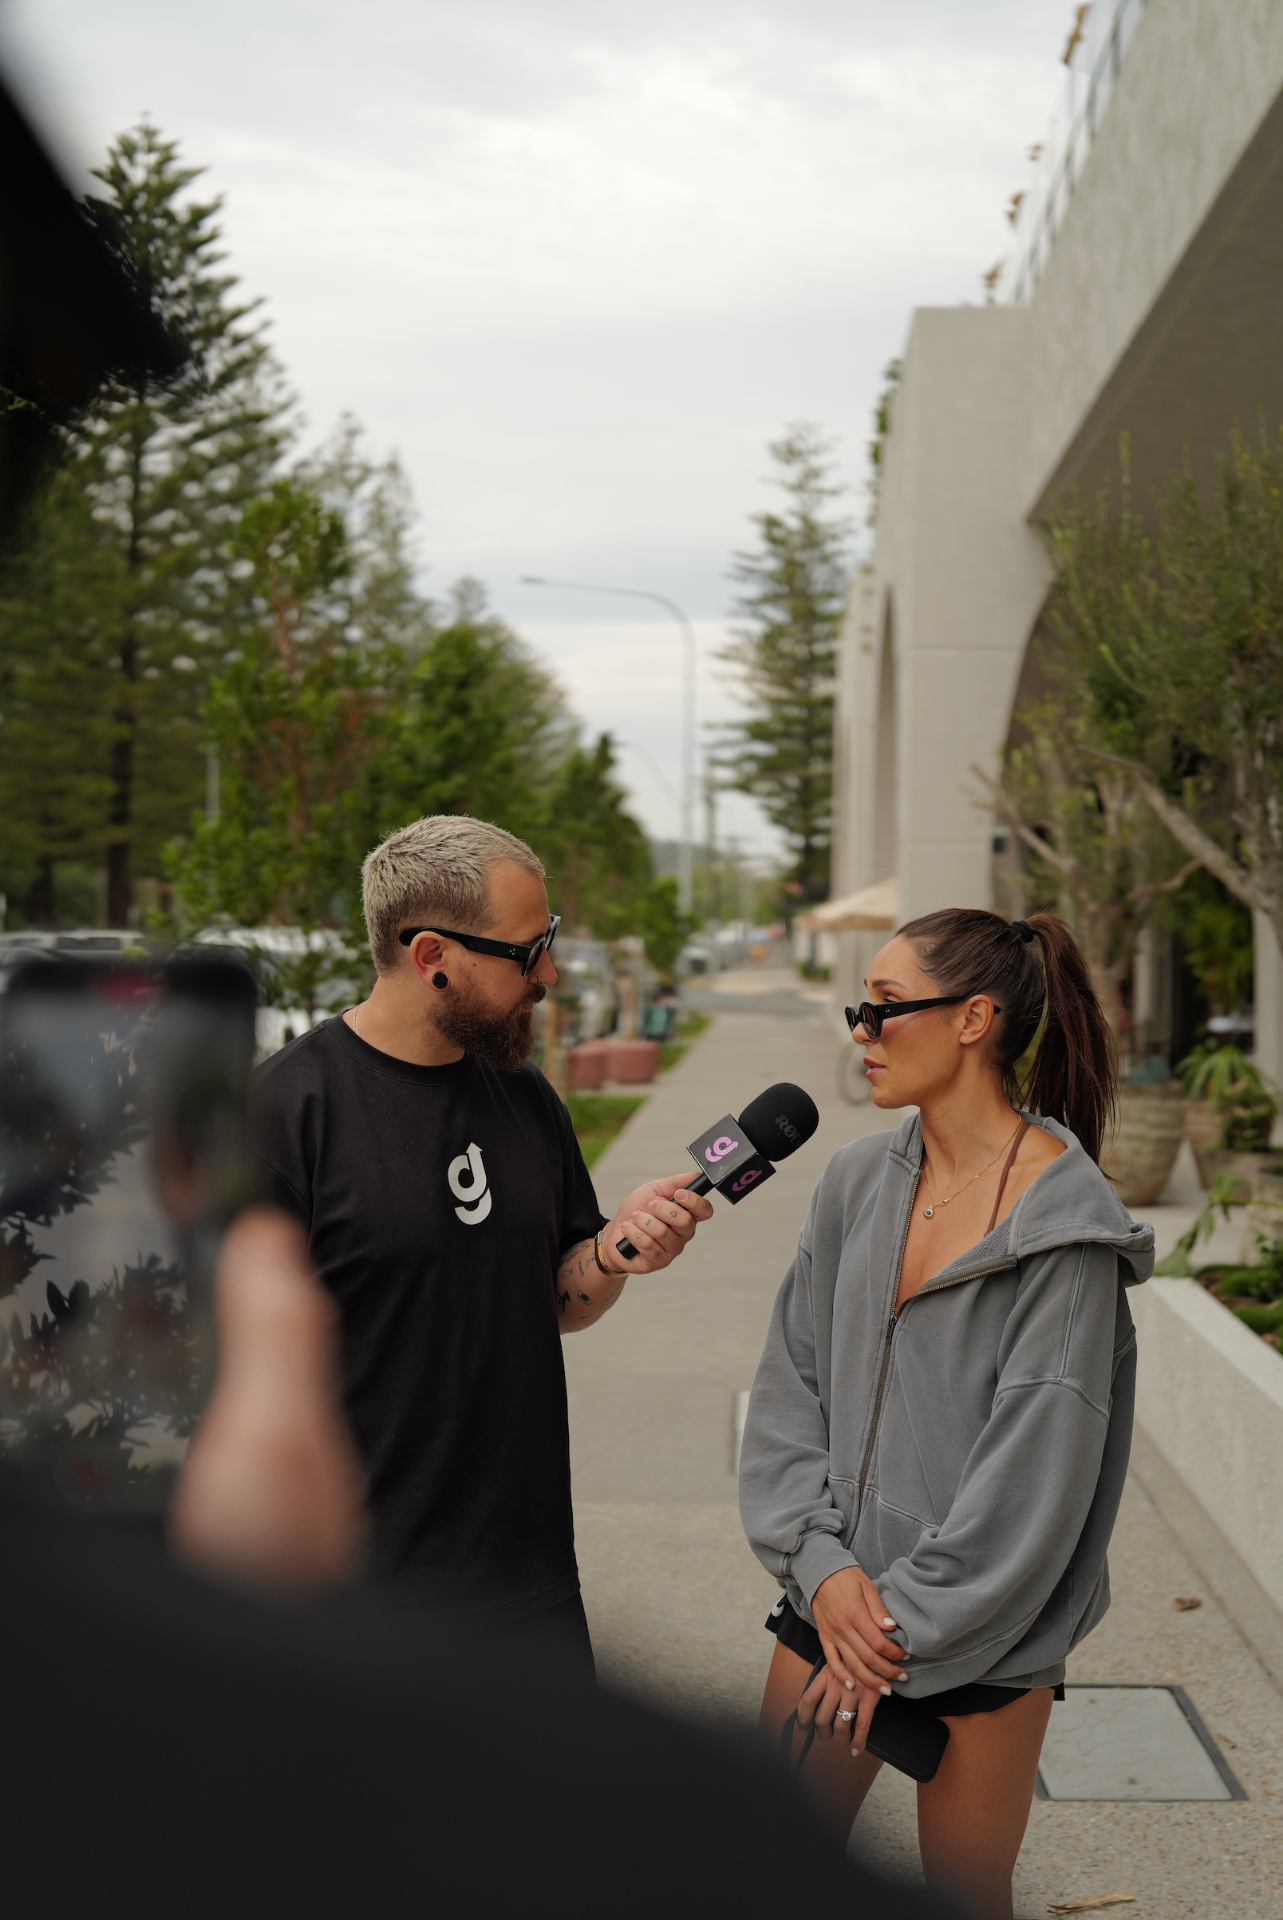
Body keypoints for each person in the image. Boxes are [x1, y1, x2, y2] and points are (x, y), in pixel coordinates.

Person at [738, 909, 1155, 1920]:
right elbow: (789, 1386)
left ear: (972, 1019)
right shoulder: (850, 1183)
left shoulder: (1061, 1236)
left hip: (984, 1641)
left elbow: (1031, 1492)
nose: (860, 1033)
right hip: (827, 1606)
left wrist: (885, 1631)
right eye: (860, 1009)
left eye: (882, 1009)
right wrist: (826, 1571)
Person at [251, 814, 714, 1664]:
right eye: (525, 951)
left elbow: (554, 1301)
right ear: (432, 957)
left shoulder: (525, 1096)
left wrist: (614, 1250)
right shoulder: (282, 1118)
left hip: (528, 1587)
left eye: (551, 941)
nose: (548, 974)